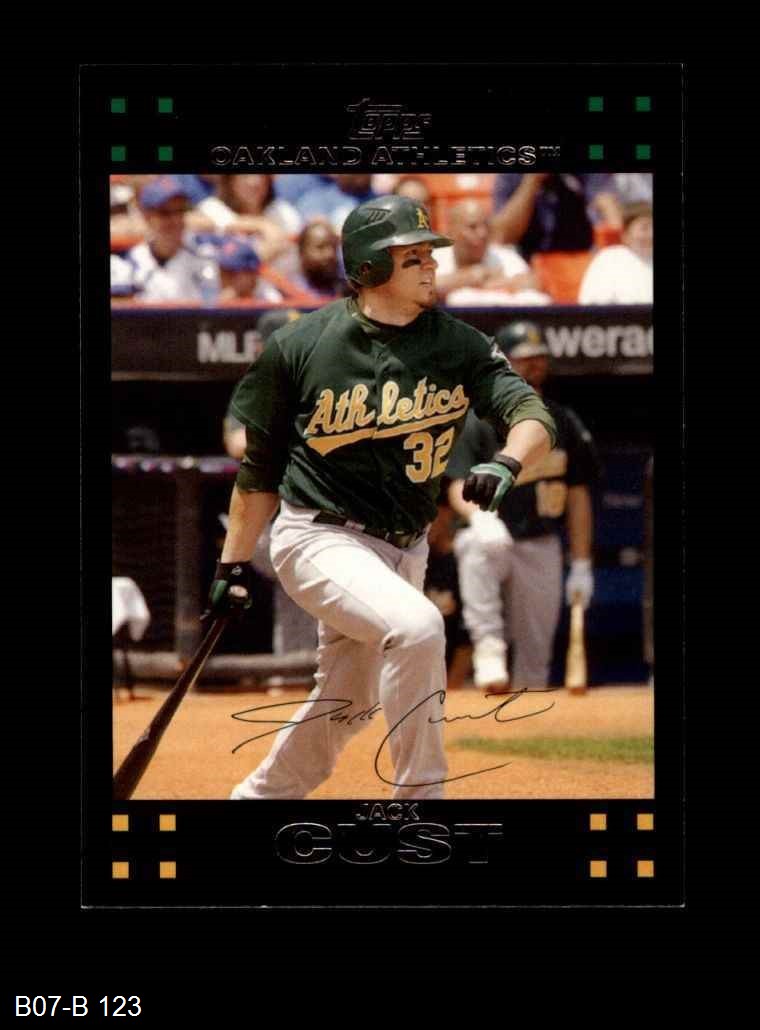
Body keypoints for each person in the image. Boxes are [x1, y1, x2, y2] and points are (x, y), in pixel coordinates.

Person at [206, 194, 556, 800]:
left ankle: (259, 799)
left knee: (347, 703)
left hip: (405, 545)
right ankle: (421, 801)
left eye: (430, 254)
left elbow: (532, 415)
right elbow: (259, 472)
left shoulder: (459, 344)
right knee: (417, 627)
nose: (431, 265)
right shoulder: (302, 346)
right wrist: (232, 565)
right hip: (319, 535)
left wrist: (508, 459)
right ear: (369, 267)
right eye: (412, 256)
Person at [447, 320, 601, 692]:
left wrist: (582, 562)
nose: (534, 364)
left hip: (540, 539)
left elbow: (578, 494)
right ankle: (488, 649)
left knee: (536, 654)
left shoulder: (562, 420)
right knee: (476, 544)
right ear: (504, 363)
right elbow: (455, 483)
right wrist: (478, 517)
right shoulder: (477, 419)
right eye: (523, 358)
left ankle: (529, 709)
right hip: (493, 536)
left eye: (539, 357)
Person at [222, 309, 318, 659]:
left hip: (311, 510)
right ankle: (292, 669)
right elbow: (236, 442)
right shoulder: (256, 387)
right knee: (302, 575)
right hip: (263, 520)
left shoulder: (319, 382)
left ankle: (293, 671)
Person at [434, 199, 551, 306]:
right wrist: (472, 276)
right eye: (472, 227)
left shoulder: (503, 256)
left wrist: (488, 283)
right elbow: (427, 289)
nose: (482, 233)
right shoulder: (434, 257)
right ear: (451, 231)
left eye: (486, 226)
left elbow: (532, 284)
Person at [120, 176, 218, 303]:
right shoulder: (131, 261)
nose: (175, 220)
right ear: (147, 217)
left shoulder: (204, 254)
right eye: (165, 213)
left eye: (180, 211)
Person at [490, 173, 621, 261]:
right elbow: (502, 236)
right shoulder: (510, 175)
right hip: (528, 260)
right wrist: (532, 182)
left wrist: (613, 241)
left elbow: (608, 207)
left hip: (579, 258)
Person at [578, 202, 653, 304]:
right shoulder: (609, 259)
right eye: (645, 228)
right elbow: (594, 304)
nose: (651, 235)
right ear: (625, 235)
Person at [290, 220, 348, 300]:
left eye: (333, 246)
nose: (330, 254)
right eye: (321, 247)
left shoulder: (346, 287)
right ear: (302, 252)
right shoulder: (290, 289)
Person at [216, 237, 285, 304]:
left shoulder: (270, 298)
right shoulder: (215, 293)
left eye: (232, 272)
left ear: (252, 274)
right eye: (224, 271)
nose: (226, 278)